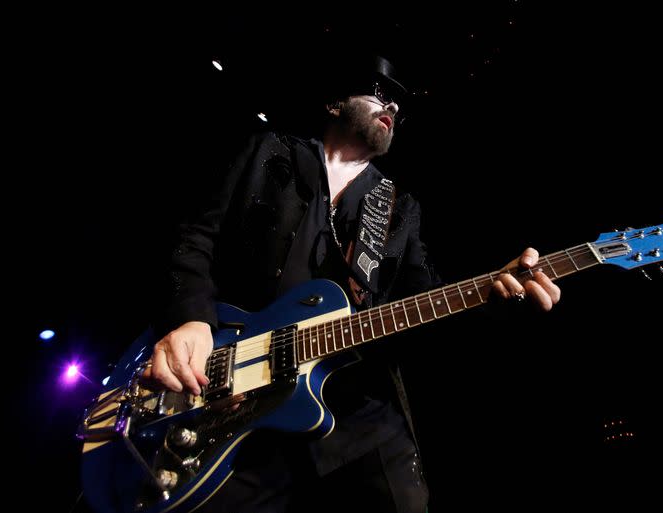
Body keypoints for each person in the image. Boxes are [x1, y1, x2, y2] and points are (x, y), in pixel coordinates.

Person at [146, 54, 561, 513]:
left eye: (400, 107)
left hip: (357, 410)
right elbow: (195, 240)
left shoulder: (399, 209)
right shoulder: (268, 152)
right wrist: (191, 320)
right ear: (335, 105)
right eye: (381, 95)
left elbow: (424, 304)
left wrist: (490, 295)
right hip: (237, 395)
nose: (393, 109)